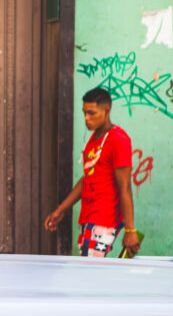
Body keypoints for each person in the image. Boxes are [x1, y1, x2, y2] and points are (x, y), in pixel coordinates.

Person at [45, 87, 141, 257]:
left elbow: (125, 187)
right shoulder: (93, 139)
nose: (86, 118)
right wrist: (61, 209)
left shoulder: (118, 139)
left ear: (106, 110)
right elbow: (87, 180)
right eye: (84, 113)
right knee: (89, 272)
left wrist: (130, 230)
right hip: (88, 217)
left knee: (91, 274)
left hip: (104, 221)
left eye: (91, 113)